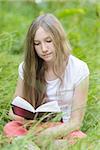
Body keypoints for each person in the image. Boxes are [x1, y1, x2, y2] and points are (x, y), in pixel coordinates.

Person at [4, 13, 89, 148]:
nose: (43, 49)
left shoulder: (79, 68)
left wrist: (50, 133)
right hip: (33, 127)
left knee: (81, 139)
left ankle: (33, 144)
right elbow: (13, 111)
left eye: (48, 41)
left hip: (62, 129)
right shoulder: (26, 68)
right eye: (37, 44)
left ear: (58, 38)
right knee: (10, 127)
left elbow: (76, 122)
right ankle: (43, 145)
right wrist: (25, 120)